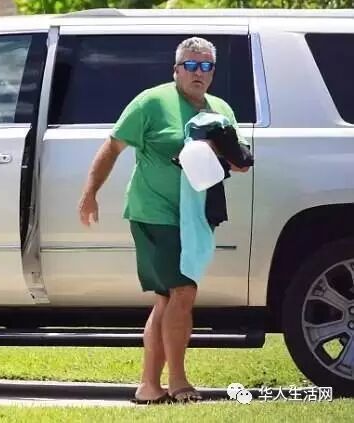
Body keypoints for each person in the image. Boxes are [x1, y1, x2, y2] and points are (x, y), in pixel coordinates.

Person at [77, 37, 249, 404]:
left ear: (213, 72)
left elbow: (239, 164)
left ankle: (148, 387)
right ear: (176, 70)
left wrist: (220, 147)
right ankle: (179, 382)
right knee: (183, 293)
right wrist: (90, 193)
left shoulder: (220, 110)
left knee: (166, 299)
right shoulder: (151, 102)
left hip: (196, 216)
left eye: (206, 66)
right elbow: (112, 146)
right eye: (191, 65)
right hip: (154, 213)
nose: (198, 72)